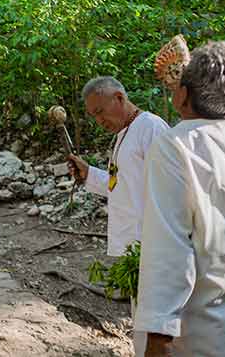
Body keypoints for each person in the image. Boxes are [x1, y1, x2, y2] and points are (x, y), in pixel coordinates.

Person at [135, 41, 225, 357]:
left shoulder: (176, 145)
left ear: (182, 94)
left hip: (213, 333)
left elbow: (167, 248)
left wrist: (157, 335)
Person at [66, 76, 168, 355]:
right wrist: (89, 174)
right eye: (92, 115)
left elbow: (171, 190)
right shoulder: (124, 134)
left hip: (155, 246)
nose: (98, 120)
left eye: (100, 111)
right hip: (135, 249)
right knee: (142, 323)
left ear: (119, 98)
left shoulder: (151, 128)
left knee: (156, 327)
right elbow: (121, 187)